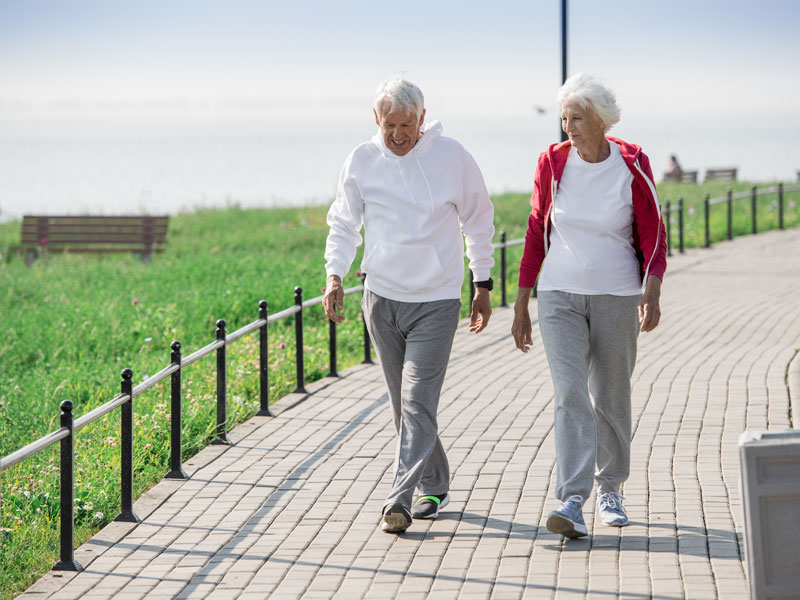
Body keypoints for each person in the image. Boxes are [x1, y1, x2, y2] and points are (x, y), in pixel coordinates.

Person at [323, 77, 496, 534]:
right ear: (375, 119)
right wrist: (335, 274)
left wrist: (482, 282)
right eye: (389, 125)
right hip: (381, 300)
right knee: (405, 408)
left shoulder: (452, 158)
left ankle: (399, 498)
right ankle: (435, 484)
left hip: (436, 301)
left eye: (407, 124)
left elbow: (479, 221)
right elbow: (344, 224)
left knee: (417, 401)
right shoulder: (361, 160)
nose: (398, 134)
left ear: (423, 118)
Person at [511, 72, 667, 539]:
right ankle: (572, 499)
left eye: (577, 118)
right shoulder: (552, 163)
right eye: (564, 119)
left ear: (601, 120)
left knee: (611, 393)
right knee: (570, 393)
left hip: (618, 294)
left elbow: (653, 232)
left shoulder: (632, 164)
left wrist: (652, 289)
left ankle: (611, 488)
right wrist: (521, 302)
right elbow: (536, 230)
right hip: (558, 293)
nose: (568, 127)